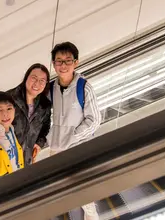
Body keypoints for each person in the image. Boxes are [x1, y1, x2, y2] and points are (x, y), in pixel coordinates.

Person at [48, 42, 101, 220]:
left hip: (79, 148)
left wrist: (72, 138)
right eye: (59, 61)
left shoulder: (84, 87)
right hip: (56, 150)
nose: (63, 65)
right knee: (61, 190)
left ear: (76, 63)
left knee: (85, 194)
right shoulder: (49, 89)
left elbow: (94, 120)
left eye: (67, 60)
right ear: (53, 64)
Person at [0, 63, 51, 166]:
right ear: (26, 78)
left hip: (26, 162)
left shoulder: (45, 104)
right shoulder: (10, 98)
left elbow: (45, 128)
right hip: (6, 160)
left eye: (42, 81)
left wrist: (39, 143)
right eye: (34, 78)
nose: (37, 83)